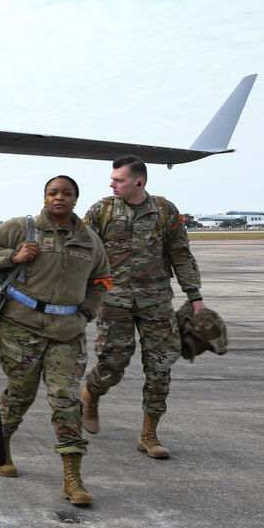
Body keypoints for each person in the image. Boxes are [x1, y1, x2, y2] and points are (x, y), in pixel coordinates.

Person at [0, 175, 110, 510]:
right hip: (21, 326)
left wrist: (87, 313)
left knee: (66, 399)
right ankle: (1, 447)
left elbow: (101, 280)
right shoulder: (22, 227)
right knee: (20, 394)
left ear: (76, 199)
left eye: (66, 193)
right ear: (45, 197)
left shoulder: (89, 240)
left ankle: (72, 477)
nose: (59, 197)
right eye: (53, 192)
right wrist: (14, 257)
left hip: (67, 331)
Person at [81, 155, 206, 460]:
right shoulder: (101, 211)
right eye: (112, 179)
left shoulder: (164, 211)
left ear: (139, 182)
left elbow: (180, 253)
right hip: (114, 301)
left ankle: (149, 434)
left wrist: (194, 295)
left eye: (118, 179)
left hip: (156, 301)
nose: (112, 184)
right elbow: (82, 251)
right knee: (113, 364)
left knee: (160, 366)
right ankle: (91, 394)